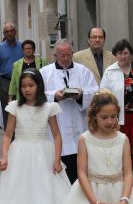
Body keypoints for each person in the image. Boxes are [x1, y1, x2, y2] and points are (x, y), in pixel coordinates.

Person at [0, 70, 71, 204]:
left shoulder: (49, 107)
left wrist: (57, 158)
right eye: (24, 86)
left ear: (39, 86)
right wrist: (4, 157)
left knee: (45, 195)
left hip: (43, 153)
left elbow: (57, 135)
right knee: (19, 195)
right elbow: (7, 135)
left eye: (31, 85)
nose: (27, 89)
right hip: (20, 152)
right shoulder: (14, 107)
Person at [40, 39, 98, 183]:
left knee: (80, 165)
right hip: (58, 124)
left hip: (80, 121)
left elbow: (96, 94)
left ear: (72, 53)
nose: (65, 58)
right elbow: (38, 96)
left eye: (68, 54)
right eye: (61, 55)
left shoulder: (83, 71)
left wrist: (80, 96)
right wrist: (55, 96)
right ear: (55, 55)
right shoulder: (45, 73)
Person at [100, 39, 133, 197]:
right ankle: (122, 184)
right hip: (118, 118)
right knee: (120, 151)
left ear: (130, 53)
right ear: (115, 55)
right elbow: (103, 93)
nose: (123, 56)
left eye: (126, 53)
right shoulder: (110, 72)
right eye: (120, 53)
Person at [0, 22, 23, 126]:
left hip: (21, 81)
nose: (9, 33)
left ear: (15, 32)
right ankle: (9, 136)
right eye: (7, 31)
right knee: (7, 108)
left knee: (22, 107)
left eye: (11, 31)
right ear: (3, 34)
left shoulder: (22, 46)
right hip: (6, 82)